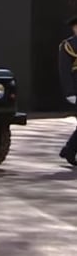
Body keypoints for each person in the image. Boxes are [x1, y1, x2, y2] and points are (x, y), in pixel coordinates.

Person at [57, 16, 77, 166]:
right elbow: (65, 71)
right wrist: (70, 92)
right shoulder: (68, 45)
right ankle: (69, 150)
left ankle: (69, 150)